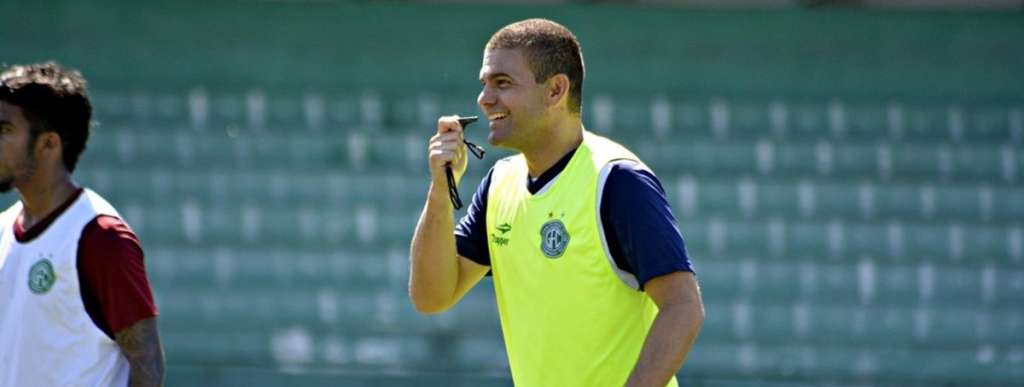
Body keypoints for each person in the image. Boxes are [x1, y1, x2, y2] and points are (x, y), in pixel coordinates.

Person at [410, 19, 703, 387]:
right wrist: (440, 190)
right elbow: (430, 296)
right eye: (484, 84)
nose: (484, 99)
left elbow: (683, 308)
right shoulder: (500, 184)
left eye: (502, 83)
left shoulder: (617, 181)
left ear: (555, 90)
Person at [0, 62, 164, 387]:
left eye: (3, 131)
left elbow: (149, 365)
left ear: (49, 144)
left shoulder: (100, 238)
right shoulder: (3, 228)